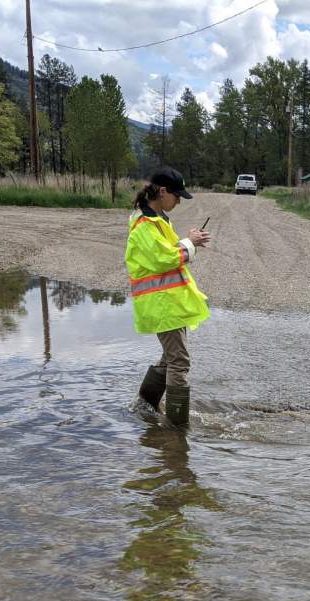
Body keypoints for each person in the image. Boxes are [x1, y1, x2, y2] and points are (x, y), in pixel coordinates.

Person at [126, 167, 211, 426]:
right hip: (161, 304)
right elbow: (165, 258)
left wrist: (188, 242)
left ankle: (144, 404)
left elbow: (168, 253)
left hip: (169, 302)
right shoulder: (144, 225)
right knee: (179, 360)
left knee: (170, 358)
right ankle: (176, 428)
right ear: (162, 192)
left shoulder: (158, 219)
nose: (179, 201)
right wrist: (190, 243)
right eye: (177, 196)